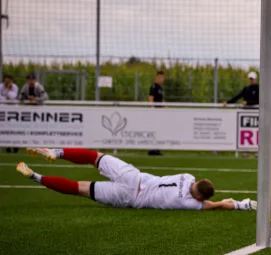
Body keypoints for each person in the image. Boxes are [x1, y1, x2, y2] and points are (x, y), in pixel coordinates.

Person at [17, 147, 257, 211]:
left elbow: (205, 192)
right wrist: (241, 204)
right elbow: (219, 204)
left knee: (96, 157)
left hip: (134, 177)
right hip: (129, 197)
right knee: (81, 188)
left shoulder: (188, 176)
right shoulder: (191, 203)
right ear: (201, 196)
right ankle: (36, 177)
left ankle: (56, 153)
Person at [148, 71, 165, 156]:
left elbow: (161, 100)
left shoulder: (161, 88)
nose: (162, 79)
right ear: (157, 77)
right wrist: (153, 110)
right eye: (161, 77)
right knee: (153, 130)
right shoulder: (153, 87)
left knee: (159, 131)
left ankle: (157, 149)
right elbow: (151, 99)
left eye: (163, 78)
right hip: (155, 113)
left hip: (160, 113)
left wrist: (166, 108)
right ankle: (151, 149)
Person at [1, 75, 20, 153]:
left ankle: (15, 145)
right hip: (4, 111)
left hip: (13, 110)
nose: (7, 82)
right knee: (5, 128)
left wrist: (9, 90)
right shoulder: (1, 86)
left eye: (9, 80)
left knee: (14, 128)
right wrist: (5, 99)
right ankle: (7, 146)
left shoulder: (14, 87)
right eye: (6, 80)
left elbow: (13, 97)